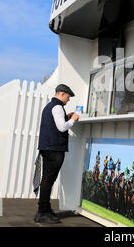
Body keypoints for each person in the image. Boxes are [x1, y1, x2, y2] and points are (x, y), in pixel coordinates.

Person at [34, 84, 79, 224]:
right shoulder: (58, 107)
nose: (68, 100)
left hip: (48, 148)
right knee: (48, 180)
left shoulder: (50, 107)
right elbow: (61, 127)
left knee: (47, 180)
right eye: (68, 97)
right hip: (54, 149)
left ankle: (45, 209)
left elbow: (54, 124)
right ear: (62, 94)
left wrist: (66, 116)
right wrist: (73, 119)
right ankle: (42, 212)